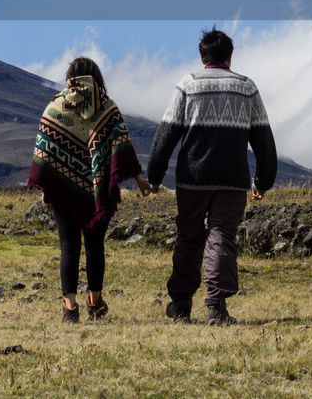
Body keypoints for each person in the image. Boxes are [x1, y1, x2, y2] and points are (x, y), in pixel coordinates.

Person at [147, 27, 277, 326]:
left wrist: (154, 178)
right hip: (232, 180)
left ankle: (180, 305)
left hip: (191, 178)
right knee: (221, 237)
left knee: (188, 238)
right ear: (230, 57)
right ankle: (216, 307)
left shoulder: (187, 85)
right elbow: (264, 140)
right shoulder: (247, 88)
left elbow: (166, 134)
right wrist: (262, 181)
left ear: (202, 56)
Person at [28, 56, 151, 323]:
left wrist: (48, 188)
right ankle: (94, 303)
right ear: (96, 77)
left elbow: (46, 148)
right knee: (95, 246)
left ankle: (70, 308)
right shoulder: (106, 106)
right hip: (100, 189)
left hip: (64, 190)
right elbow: (122, 144)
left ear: (70, 76)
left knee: (69, 246)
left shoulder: (56, 105)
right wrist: (139, 179)